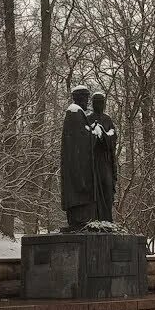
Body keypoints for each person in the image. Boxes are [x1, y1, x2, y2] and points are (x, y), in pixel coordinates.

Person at [60, 86, 95, 230]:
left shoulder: (77, 113)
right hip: (77, 164)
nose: (87, 101)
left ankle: (79, 221)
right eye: (85, 98)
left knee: (80, 195)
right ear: (79, 98)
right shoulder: (74, 112)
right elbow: (80, 139)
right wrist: (93, 134)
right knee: (78, 194)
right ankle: (77, 221)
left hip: (78, 162)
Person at [87, 91, 117, 222]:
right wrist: (94, 135)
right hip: (93, 161)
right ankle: (94, 219)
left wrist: (103, 135)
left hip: (105, 160)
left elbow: (113, 137)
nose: (98, 105)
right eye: (96, 103)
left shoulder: (107, 119)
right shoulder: (88, 118)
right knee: (94, 189)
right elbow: (85, 139)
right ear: (92, 104)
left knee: (107, 188)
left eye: (101, 102)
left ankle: (106, 218)